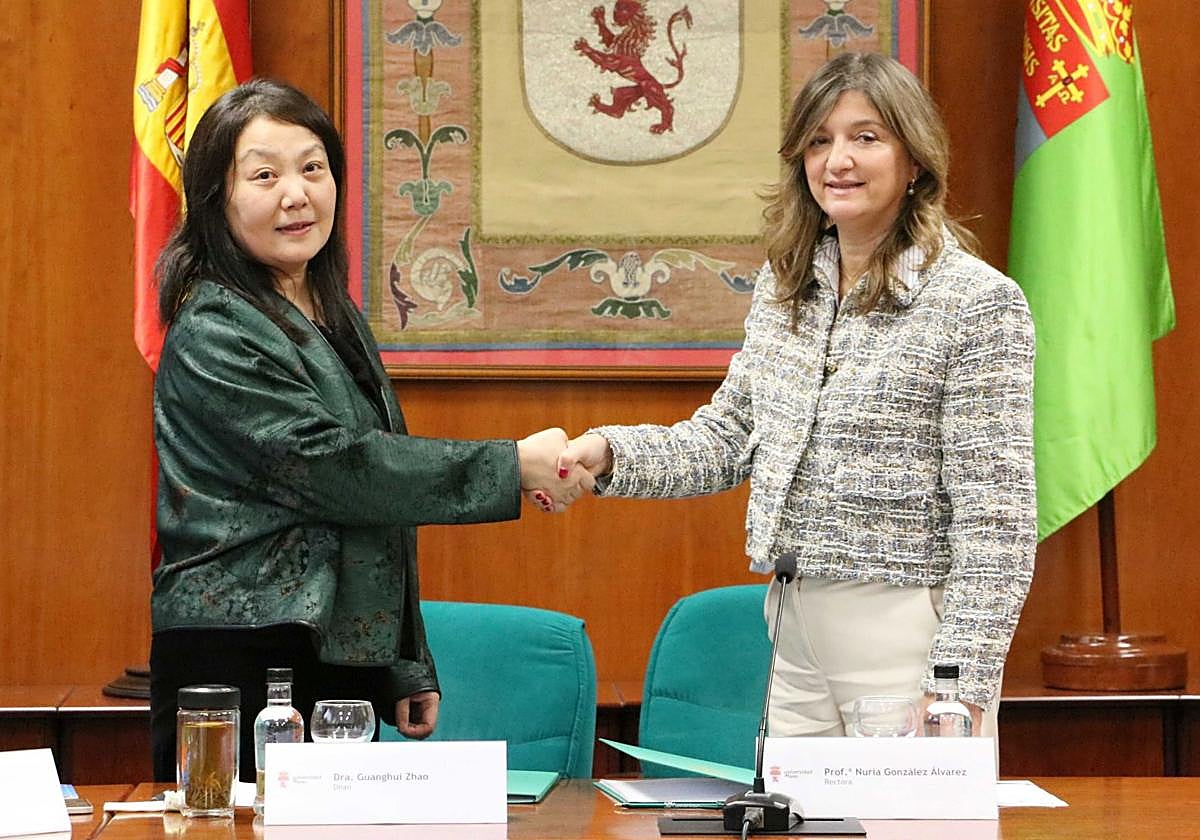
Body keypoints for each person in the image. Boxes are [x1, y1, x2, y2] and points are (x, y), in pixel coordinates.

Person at [551, 53, 1036, 739]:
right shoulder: (787, 290)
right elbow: (726, 438)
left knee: (907, 806)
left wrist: (959, 682)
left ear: (914, 161)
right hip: (791, 624)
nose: (838, 160)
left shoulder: (976, 301)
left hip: (906, 632)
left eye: (866, 137)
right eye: (819, 140)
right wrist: (608, 454)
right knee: (795, 803)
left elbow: (998, 521)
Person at [149, 78, 591, 781]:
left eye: (312, 167)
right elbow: (340, 470)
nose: (296, 194)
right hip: (239, 655)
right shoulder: (215, 326)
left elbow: (375, 510)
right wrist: (515, 466)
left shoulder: (330, 310)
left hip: (329, 653)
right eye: (264, 176)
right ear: (214, 199)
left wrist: (403, 663)